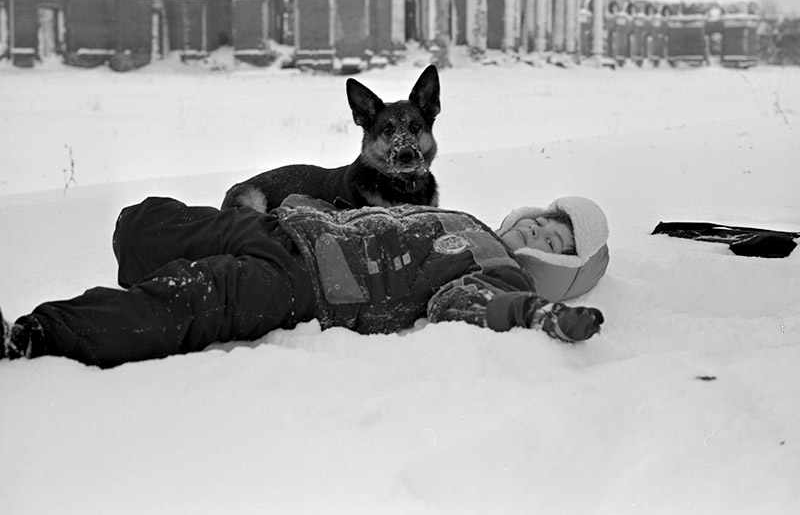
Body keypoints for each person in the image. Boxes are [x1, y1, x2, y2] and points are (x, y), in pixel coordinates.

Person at [0, 194, 609, 369]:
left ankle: (35, 335)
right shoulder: (468, 216)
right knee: (140, 225)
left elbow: (467, 301)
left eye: (552, 244)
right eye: (542, 222)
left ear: (554, 269)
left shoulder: (494, 269)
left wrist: (533, 314)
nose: (536, 233)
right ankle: (144, 275)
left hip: (302, 285)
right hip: (280, 228)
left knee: (190, 301)